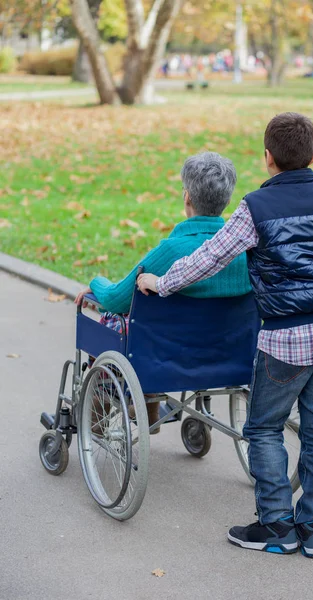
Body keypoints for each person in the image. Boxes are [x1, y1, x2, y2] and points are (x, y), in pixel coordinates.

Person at [137, 113, 313, 558]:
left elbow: (209, 258)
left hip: (287, 340)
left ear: (267, 159)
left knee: (262, 428)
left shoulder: (255, 208)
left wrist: (160, 283)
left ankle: (277, 524)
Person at [74, 151, 251, 432]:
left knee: (113, 322)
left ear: (187, 198)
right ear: (227, 200)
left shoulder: (171, 251)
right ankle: (146, 403)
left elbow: (117, 300)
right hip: (225, 355)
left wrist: (96, 283)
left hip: (165, 357)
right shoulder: (244, 253)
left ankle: (105, 401)